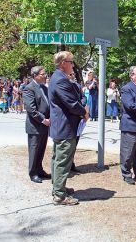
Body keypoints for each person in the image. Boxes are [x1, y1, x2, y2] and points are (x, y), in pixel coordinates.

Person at [48, 51, 89, 205]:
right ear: (63, 63)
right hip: (64, 126)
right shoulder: (60, 80)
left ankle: (58, 188)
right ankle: (59, 195)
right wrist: (83, 112)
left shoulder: (58, 78)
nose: (73, 65)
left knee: (58, 158)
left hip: (61, 126)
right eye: (71, 62)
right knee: (63, 160)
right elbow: (71, 103)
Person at [22, 66, 51, 183]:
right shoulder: (29, 88)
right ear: (35, 76)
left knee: (41, 149)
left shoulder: (44, 88)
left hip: (45, 125)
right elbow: (31, 109)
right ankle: (33, 173)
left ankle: (39, 170)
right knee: (34, 150)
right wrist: (43, 120)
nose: (45, 76)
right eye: (43, 74)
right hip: (35, 126)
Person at [68, 71, 88, 171]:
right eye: (71, 74)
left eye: (73, 74)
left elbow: (84, 97)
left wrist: (81, 105)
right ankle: (66, 164)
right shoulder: (64, 86)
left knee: (75, 141)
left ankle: (71, 163)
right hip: (69, 118)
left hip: (78, 117)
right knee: (68, 144)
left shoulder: (77, 86)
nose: (73, 76)